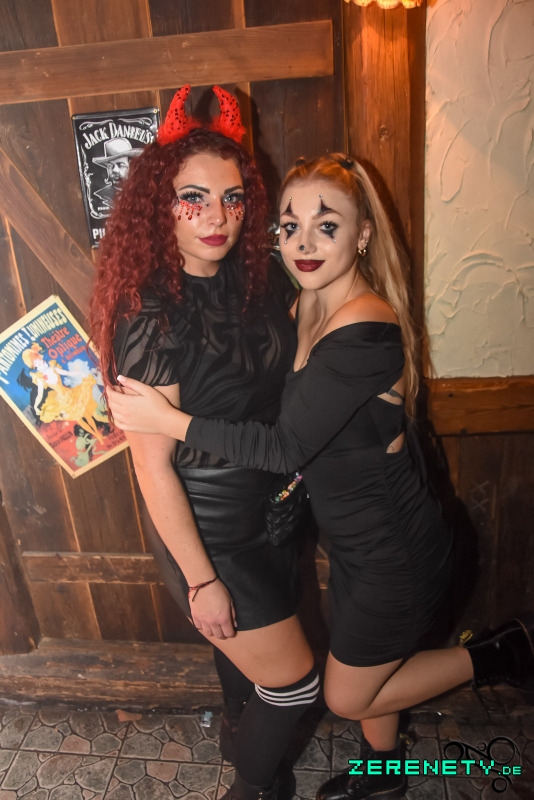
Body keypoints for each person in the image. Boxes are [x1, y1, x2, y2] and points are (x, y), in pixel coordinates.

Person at [108, 152, 534, 800]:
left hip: (390, 544)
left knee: (346, 691)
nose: (304, 243)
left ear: (362, 234)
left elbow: (285, 444)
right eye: (290, 226)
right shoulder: (297, 298)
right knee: (369, 664)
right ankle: (382, 778)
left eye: (327, 225)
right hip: (337, 538)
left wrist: (171, 420)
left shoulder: (361, 327)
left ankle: (501, 654)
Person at [90, 85, 319, 800]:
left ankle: (245, 740)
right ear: (159, 205)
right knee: (295, 682)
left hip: (271, 507)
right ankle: (249, 787)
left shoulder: (257, 280)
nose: (216, 217)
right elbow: (154, 471)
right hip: (208, 531)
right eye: (193, 198)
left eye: (232, 198)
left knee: (247, 667)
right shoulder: (150, 315)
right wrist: (202, 581)